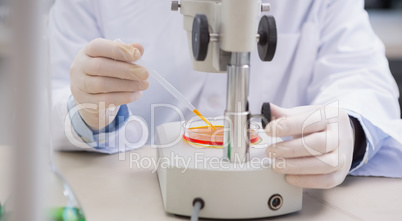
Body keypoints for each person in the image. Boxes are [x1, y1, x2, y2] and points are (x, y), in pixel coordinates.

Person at [48, 0, 402, 189]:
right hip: (134, 204)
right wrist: (87, 110)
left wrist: (349, 130)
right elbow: (45, 95)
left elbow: (361, 77)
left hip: (288, 207)